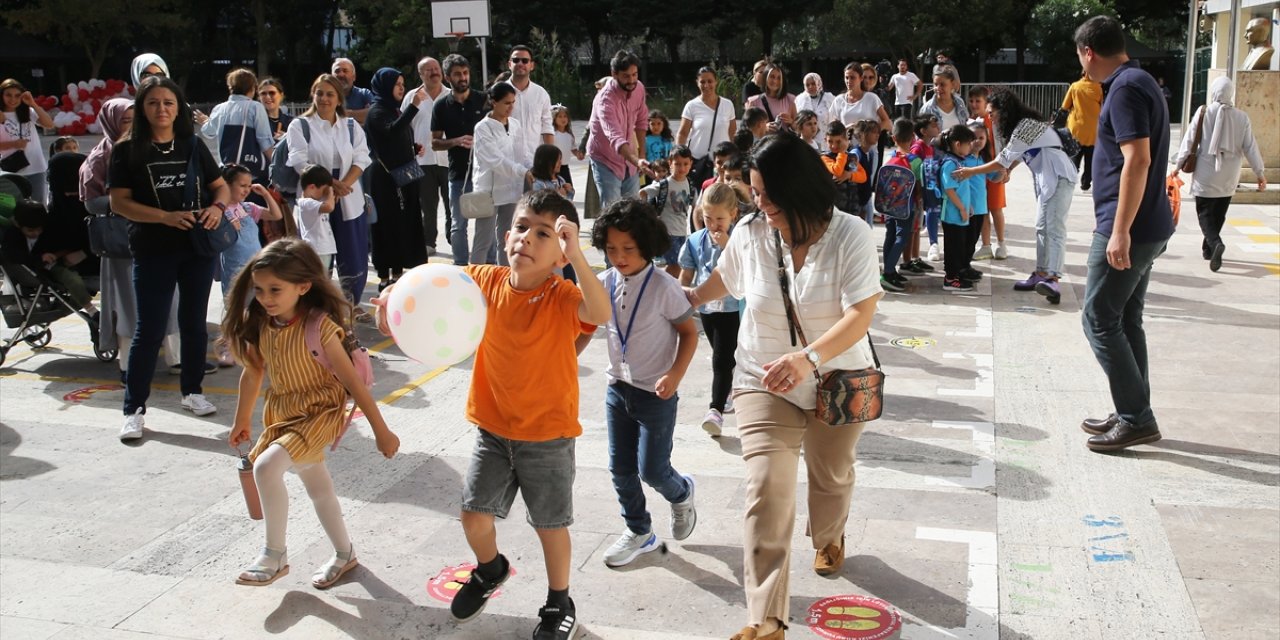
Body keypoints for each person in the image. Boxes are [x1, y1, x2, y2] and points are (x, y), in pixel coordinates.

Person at [373, 190, 609, 640]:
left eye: (545, 234)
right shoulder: (483, 280)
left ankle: (560, 600)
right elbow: (430, 284)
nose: (528, 239)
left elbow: (599, 312)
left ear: (560, 251)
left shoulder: (562, 294)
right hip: (494, 429)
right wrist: (393, 297)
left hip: (548, 436)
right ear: (506, 236)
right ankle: (490, 569)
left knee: (550, 526)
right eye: (522, 228)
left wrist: (577, 255)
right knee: (473, 515)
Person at [685, 133, 881, 640]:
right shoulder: (751, 232)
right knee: (767, 489)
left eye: (769, 195)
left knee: (831, 476)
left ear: (800, 189)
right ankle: (766, 618)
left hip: (836, 380)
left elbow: (861, 314)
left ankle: (830, 534)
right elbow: (721, 284)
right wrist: (679, 300)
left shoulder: (851, 234)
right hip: (761, 379)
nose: (761, 204)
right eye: (756, 193)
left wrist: (809, 358)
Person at [224, 238, 399, 589]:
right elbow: (253, 372)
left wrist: (382, 430)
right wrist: (241, 420)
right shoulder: (261, 323)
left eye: (275, 289)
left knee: (266, 466)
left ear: (303, 286)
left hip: (321, 411)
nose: (265, 298)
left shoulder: (320, 327)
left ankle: (274, 555)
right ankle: (344, 553)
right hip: (284, 412)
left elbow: (354, 383)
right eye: (259, 290)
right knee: (318, 488)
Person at [1073, 15, 1175, 451]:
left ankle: (1137, 416)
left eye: (1079, 55)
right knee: (1125, 318)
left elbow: (1137, 160)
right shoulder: (1140, 81)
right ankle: (1132, 408)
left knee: (1098, 318)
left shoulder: (1126, 89)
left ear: (1089, 52)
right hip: (1147, 224)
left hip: (1129, 226)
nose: (1080, 64)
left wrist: (1119, 232)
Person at [109, 76, 229, 440]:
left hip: (196, 247)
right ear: (142, 108)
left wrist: (218, 208)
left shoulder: (192, 144)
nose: (161, 109)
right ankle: (134, 408)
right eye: (153, 103)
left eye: (168, 103)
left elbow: (219, 185)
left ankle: (192, 392)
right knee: (149, 329)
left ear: (179, 108)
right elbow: (119, 202)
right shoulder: (126, 150)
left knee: (193, 323)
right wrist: (164, 217)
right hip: (152, 248)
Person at [582, 199, 699, 568]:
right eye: (611, 249)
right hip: (618, 389)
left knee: (653, 470)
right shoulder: (603, 282)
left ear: (647, 245)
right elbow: (587, 326)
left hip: (656, 394)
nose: (619, 256)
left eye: (628, 249)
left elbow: (689, 333)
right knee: (620, 468)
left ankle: (681, 493)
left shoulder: (665, 287)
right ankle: (639, 530)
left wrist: (675, 374)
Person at [79, 97, 187, 382]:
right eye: (125, 120)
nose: (132, 125)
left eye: (134, 119)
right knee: (129, 304)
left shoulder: (152, 147)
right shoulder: (101, 156)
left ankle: (175, 358)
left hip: (160, 236)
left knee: (170, 297)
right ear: (112, 122)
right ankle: (129, 364)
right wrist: (129, 203)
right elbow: (91, 202)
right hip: (123, 244)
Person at [954, 88, 1075, 304]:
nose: (989, 117)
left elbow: (1003, 159)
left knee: (1054, 228)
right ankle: (1041, 273)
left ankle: (1053, 278)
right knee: (1041, 227)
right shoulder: (1024, 126)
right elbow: (1018, 155)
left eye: (992, 113)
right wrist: (1010, 169)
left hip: (1058, 175)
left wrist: (971, 171)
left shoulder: (1025, 126)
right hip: (1046, 177)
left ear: (1004, 110)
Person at [284, 74, 373, 319]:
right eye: (319, 93)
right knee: (317, 254)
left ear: (339, 98)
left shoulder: (351, 126)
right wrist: (330, 185)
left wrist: (343, 185)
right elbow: (300, 161)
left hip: (348, 197)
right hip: (316, 198)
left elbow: (361, 158)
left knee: (352, 252)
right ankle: (318, 305)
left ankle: (349, 304)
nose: (324, 98)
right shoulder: (300, 125)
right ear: (313, 95)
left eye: (329, 94)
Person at [1173, 76, 1267, 272]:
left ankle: (1215, 243)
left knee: (1204, 213)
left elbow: (1189, 141)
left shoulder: (1204, 111)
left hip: (1207, 171)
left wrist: (1177, 165)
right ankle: (1208, 250)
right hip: (1230, 173)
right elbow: (1251, 147)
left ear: (1214, 92)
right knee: (1219, 213)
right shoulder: (1242, 117)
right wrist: (1260, 173)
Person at [679, 183, 742, 436]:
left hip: (734, 307)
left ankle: (715, 410)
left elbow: (746, 268)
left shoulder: (739, 238)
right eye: (707, 218)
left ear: (733, 215)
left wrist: (728, 244)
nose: (714, 224)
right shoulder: (695, 240)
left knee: (721, 359)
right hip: (707, 308)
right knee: (721, 353)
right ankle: (727, 387)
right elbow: (686, 273)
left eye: (720, 219)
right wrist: (678, 297)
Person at [215, 164, 284, 365]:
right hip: (235, 271)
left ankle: (263, 346)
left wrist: (265, 193)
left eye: (248, 185)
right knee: (235, 310)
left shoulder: (247, 208)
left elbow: (276, 215)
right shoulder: (219, 211)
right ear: (226, 186)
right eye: (241, 185)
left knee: (261, 309)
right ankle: (229, 347)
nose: (246, 190)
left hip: (257, 269)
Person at [365, 67, 428, 290]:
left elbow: (397, 138)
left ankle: (400, 271)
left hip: (404, 174)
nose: (401, 88)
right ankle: (384, 275)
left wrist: (413, 147)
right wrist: (413, 107)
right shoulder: (376, 111)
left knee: (404, 224)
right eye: (397, 84)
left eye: (403, 84)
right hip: (385, 179)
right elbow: (389, 133)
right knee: (387, 225)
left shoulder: (394, 110)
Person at [432, 54, 488, 265]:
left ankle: (488, 266)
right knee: (458, 224)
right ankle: (461, 267)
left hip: (483, 172)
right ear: (448, 78)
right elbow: (435, 142)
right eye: (457, 74)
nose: (463, 78)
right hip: (457, 174)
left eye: (465, 73)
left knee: (486, 222)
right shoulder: (441, 106)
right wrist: (456, 141)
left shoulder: (484, 100)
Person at [1, 200, 97, 321]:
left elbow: (64, 245)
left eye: (38, 229)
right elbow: (12, 256)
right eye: (30, 230)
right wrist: (39, 258)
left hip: (52, 264)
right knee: (71, 278)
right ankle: (91, 310)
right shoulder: (12, 236)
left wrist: (56, 255)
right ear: (18, 225)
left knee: (72, 278)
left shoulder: (49, 231)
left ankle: (87, 307)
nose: (35, 233)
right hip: (29, 271)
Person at [471, 82, 527, 266]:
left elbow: (522, 154)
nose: (511, 107)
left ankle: (504, 277)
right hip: (487, 190)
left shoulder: (516, 124)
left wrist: (532, 169)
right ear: (493, 102)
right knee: (483, 240)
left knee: (507, 239)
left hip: (511, 189)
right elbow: (494, 160)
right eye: (506, 103)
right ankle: (475, 279)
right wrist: (522, 171)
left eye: (513, 102)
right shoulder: (483, 127)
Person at [587, 50, 651, 208]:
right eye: (626, 76)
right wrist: (638, 161)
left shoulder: (639, 89)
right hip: (606, 159)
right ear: (614, 74)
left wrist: (641, 154)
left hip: (630, 161)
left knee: (633, 209)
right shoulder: (605, 100)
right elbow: (615, 138)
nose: (632, 80)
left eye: (635, 74)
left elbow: (642, 121)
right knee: (613, 210)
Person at [404, 57, 450, 256]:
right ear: (421, 74)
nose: (434, 72)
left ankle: (453, 238)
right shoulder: (412, 97)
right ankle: (429, 242)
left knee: (452, 204)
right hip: (421, 161)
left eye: (436, 68)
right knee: (427, 205)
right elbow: (404, 128)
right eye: (428, 70)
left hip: (450, 159)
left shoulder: (452, 95)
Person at [199, 68, 275, 181]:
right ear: (252, 88)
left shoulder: (219, 108)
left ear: (231, 87)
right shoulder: (255, 107)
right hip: (251, 172)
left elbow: (209, 132)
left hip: (227, 170)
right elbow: (264, 140)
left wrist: (205, 122)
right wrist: (276, 164)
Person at [639, 145, 695, 277]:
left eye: (685, 164)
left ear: (691, 164)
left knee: (678, 265)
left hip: (682, 231)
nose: (682, 168)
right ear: (670, 164)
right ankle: (662, 284)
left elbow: (696, 206)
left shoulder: (690, 185)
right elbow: (643, 192)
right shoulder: (665, 184)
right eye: (677, 164)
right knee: (675, 265)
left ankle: (657, 281)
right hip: (668, 231)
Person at [677, 67, 737, 188]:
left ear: (716, 82)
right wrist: (680, 156)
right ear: (697, 83)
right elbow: (682, 133)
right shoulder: (691, 106)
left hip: (722, 163)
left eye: (710, 81)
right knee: (698, 198)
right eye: (702, 82)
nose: (706, 85)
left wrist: (734, 156)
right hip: (699, 162)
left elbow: (732, 132)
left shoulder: (727, 104)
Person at [879, 118, 920, 292]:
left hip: (888, 206)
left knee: (890, 235)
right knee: (902, 238)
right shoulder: (916, 161)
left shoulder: (890, 158)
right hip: (905, 207)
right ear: (913, 137)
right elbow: (919, 185)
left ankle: (889, 271)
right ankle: (888, 272)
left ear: (893, 138)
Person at [968, 87, 1007, 260]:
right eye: (972, 101)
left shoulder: (994, 121)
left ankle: (1001, 243)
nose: (974, 104)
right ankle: (985, 245)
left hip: (995, 169)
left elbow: (1003, 145)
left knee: (996, 208)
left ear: (986, 102)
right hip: (977, 171)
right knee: (982, 209)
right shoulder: (969, 122)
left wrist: (1006, 168)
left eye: (978, 101)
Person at [0, 79, 55, 204]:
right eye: (8, 95)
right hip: (11, 170)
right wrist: (14, 144)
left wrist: (33, 104)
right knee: (14, 207)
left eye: (17, 96)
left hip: (36, 166)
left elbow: (49, 124)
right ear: (2, 95)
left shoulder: (28, 112)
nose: (13, 99)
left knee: (39, 205)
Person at [938, 124, 978, 292]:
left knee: (959, 245)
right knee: (953, 246)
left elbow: (961, 189)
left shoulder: (958, 162)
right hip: (952, 214)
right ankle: (950, 278)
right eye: (968, 143)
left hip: (959, 213)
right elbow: (949, 189)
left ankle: (957, 274)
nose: (971, 147)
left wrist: (966, 206)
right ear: (957, 144)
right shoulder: (950, 164)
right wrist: (962, 208)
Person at [506, 45, 555, 171]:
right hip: (506, 164)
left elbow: (547, 127)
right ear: (509, 64)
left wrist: (550, 159)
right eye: (516, 60)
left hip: (535, 163)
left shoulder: (541, 94)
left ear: (532, 65)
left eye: (525, 60)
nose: (520, 63)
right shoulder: (498, 92)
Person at [1061, 72, 1102, 192]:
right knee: (1090, 160)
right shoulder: (1099, 88)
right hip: (1093, 131)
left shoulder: (1074, 86)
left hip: (1076, 130)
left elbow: (1064, 106)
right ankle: (1086, 184)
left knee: (1074, 158)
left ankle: (1070, 182)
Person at [293, 165, 338, 263]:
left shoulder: (313, 202)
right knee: (318, 277)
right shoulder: (306, 203)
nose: (324, 194)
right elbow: (329, 207)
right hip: (317, 251)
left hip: (322, 250)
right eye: (323, 190)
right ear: (312, 187)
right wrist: (330, 191)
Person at [829, 62, 892, 133]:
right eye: (846, 78)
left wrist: (871, 132)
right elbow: (833, 127)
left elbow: (886, 122)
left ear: (861, 78)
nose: (849, 81)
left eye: (852, 78)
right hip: (847, 143)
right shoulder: (839, 100)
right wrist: (847, 128)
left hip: (868, 143)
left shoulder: (871, 98)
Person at [745, 64, 797, 131]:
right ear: (765, 78)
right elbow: (748, 129)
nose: (775, 81)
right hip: (763, 141)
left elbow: (799, 129)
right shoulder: (753, 101)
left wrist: (791, 122)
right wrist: (765, 127)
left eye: (779, 78)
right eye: (772, 77)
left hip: (783, 140)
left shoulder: (790, 99)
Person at [920, 66, 969, 131]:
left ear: (952, 84)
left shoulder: (960, 103)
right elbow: (921, 136)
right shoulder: (927, 109)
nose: (938, 88)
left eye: (942, 84)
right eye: (935, 84)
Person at [331, 58, 374, 125]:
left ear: (354, 77)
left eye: (345, 71)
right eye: (337, 71)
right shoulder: (326, 96)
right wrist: (359, 117)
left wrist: (344, 113)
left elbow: (373, 114)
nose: (341, 74)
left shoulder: (364, 94)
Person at [550, 104, 582, 187]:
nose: (563, 119)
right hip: (553, 168)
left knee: (569, 188)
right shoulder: (552, 135)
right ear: (554, 119)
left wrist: (578, 154)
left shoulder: (569, 135)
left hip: (564, 167)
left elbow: (573, 148)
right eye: (560, 117)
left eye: (565, 116)